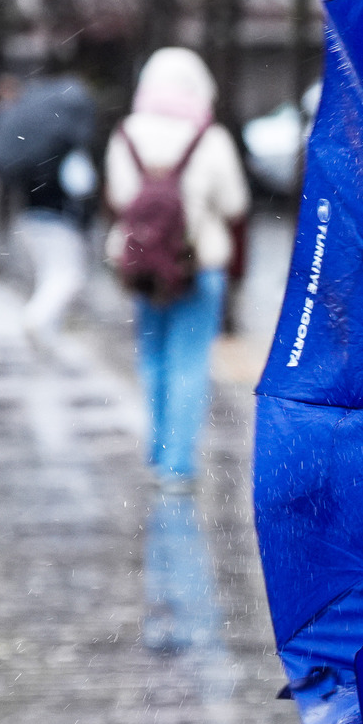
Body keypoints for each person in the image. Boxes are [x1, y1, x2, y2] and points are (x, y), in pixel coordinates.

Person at [105, 47, 250, 491]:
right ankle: (177, 463)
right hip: (196, 264)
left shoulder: (126, 135)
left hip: (143, 267)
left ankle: (156, 450)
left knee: (153, 354)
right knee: (189, 360)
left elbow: (119, 198)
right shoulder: (210, 137)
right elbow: (235, 203)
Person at [0, 68, 98, 347]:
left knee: (50, 275)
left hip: (31, 217)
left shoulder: (33, 149)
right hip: (58, 219)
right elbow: (83, 186)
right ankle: (36, 320)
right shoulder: (63, 149)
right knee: (68, 277)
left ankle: (47, 335)